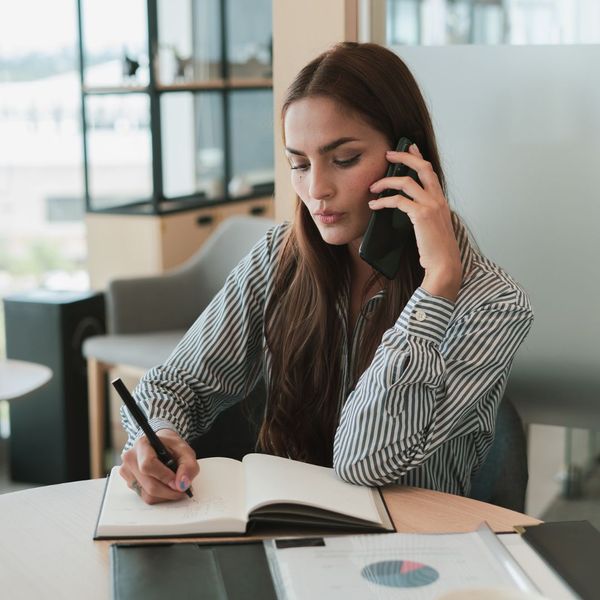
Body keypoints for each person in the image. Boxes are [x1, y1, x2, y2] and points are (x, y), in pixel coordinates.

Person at [119, 42, 533, 504]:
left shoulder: (493, 304)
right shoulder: (278, 258)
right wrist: (158, 434)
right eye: (299, 164)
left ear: (408, 158)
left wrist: (436, 288)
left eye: (344, 159)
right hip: (293, 537)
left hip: (417, 554)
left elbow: (365, 460)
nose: (315, 190)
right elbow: (172, 385)